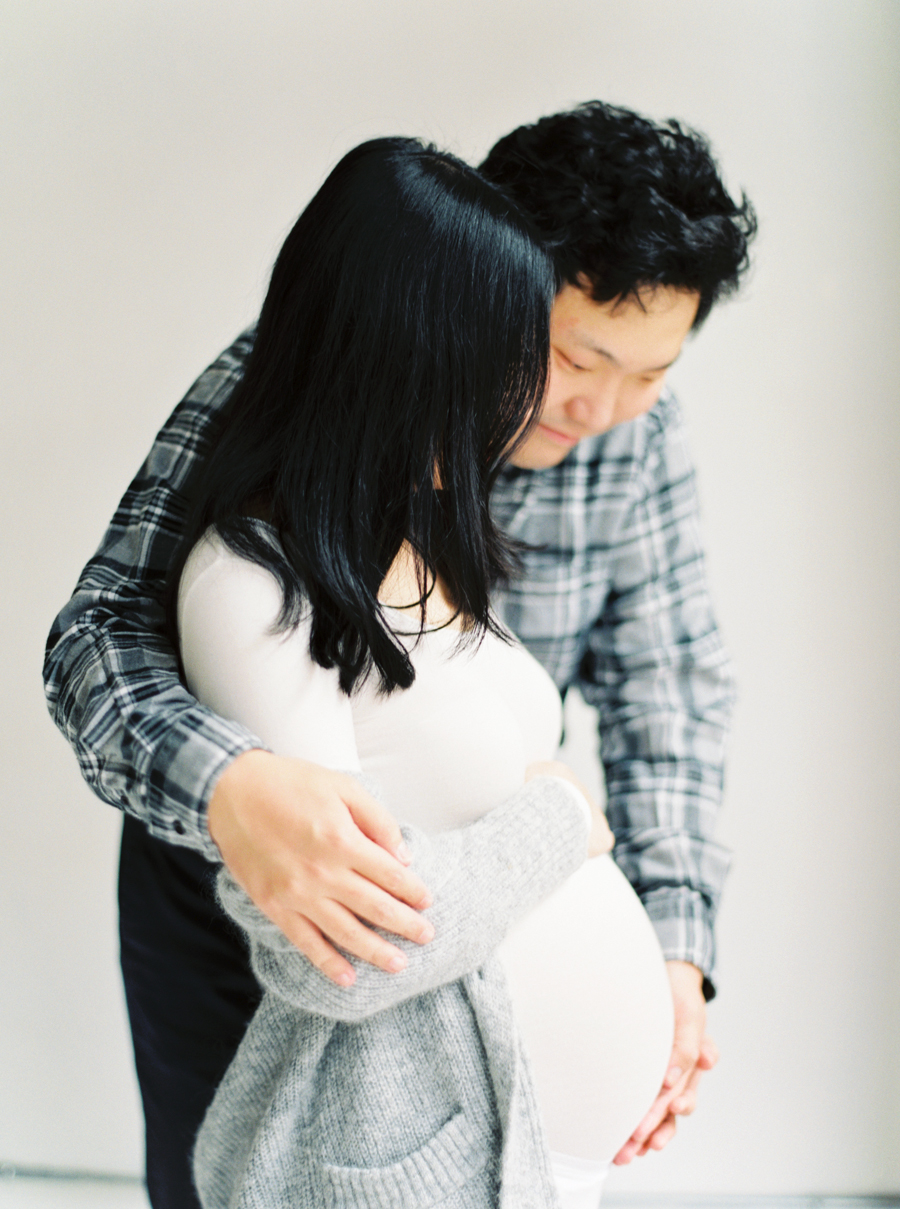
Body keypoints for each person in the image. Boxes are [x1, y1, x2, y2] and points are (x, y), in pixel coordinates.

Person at [43, 101, 756, 1207]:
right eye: (576, 356)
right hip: (259, 900)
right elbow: (101, 630)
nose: (600, 408)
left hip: (466, 958)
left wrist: (673, 953)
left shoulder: (635, 444)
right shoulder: (313, 386)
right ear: (490, 282)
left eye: (651, 374)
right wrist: (229, 784)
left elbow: (672, 693)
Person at [172, 135, 670, 1209]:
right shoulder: (253, 584)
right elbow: (335, 950)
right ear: (396, 353)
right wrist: (557, 827)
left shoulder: (417, 529)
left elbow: (668, 695)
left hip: (517, 1138)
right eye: (506, 360)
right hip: (408, 1151)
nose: (529, 396)